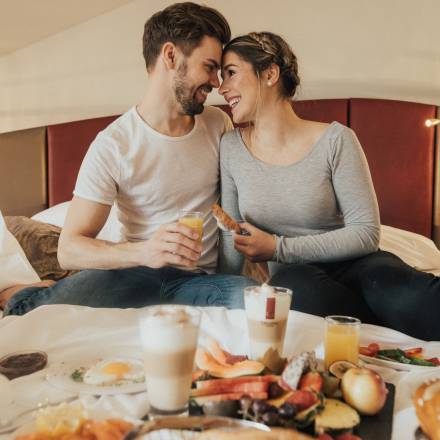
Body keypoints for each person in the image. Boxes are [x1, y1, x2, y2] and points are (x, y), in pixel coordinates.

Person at [2, 2, 256, 317]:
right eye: (209, 67)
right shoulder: (114, 145)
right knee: (38, 311)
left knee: (257, 301)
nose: (216, 82)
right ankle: (19, 293)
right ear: (171, 56)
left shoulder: (218, 124)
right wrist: (145, 251)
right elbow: (69, 250)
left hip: (198, 280)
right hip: (132, 274)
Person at [217, 31, 440, 340]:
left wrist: (278, 247)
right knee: (297, 292)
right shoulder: (231, 147)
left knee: (398, 291)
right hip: (299, 278)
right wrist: (219, 300)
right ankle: (385, 332)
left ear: (269, 73)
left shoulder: (336, 140)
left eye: (230, 73)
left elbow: (366, 233)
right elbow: (232, 239)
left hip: (359, 265)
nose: (221, 87)